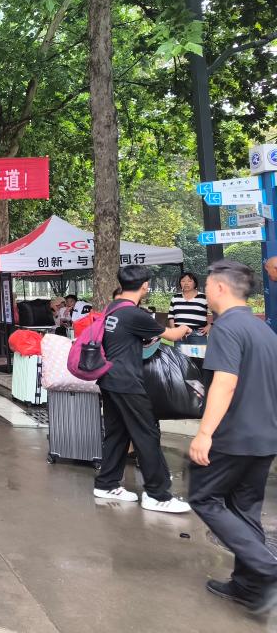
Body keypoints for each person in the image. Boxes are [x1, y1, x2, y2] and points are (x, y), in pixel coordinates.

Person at [187, 260, 277, 613]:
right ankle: (249, 586)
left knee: (204, 496)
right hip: (264, 436)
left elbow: (225, 383)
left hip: (235, 436)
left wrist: (204, 433)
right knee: (244, 509)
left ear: (220, 288)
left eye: (208, 285)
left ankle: (266, 566)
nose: (205, 291)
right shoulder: (263, 329)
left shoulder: (226, 327)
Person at [92, 265, 192, 512]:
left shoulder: (113, 308)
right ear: (145, 286)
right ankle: (157, 494)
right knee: (147, 434)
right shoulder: (135, 314)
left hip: (109, 380)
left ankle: (106, 483)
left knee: (117, 433)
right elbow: (172, 335)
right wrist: (184, 328)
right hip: (127, 382)